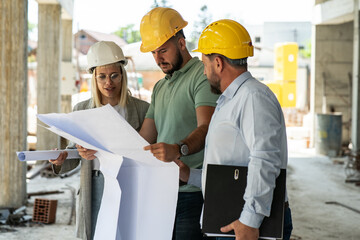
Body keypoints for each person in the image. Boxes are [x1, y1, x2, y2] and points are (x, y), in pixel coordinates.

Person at [175, 19, 293, 240]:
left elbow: (265, 158)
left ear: (218, 63)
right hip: (232, 222)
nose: (203, 71)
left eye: (204, 64)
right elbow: (231, 169)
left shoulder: (253, 97)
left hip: (248, 227)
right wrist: (190, 175)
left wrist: (250, 220)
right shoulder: (231, 100)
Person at [49, 41, 149, 240]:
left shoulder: (142, 110)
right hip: (94, 185)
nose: (108, 83)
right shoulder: (81, 110)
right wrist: (60, 160)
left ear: (123, 75)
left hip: (128, 182)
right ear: (94, 78)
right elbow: (74, 154)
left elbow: (146, 153)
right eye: (102, 77)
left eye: (114, 76)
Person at [138, 7, 219, 240]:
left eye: (163, 50)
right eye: (153, 52)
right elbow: (144, 137)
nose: (158, 58)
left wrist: (179, 149)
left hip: (193, 192)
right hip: (162, 190)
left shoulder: (201, 76)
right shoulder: (160, 87)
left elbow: (206, 129)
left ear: (182, 44)